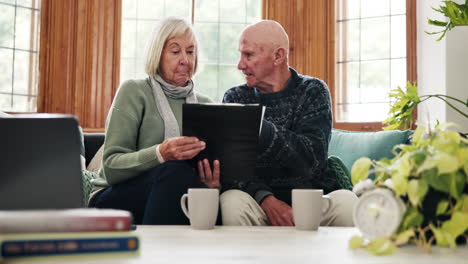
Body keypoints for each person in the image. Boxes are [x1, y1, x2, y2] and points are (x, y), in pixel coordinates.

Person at [220, 20, 357, 226]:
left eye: (248, 55)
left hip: (311, 201)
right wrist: (266, 199)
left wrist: (261, 129)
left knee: (347, 202)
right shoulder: (235, 97)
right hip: (260, 204)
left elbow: (313, 162)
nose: (240, 65)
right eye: (240, 55)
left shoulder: (313, 91)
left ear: (278, 56)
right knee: (231, 201)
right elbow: (235, 172)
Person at [89, 17, 220, 225]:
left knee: (201, 191)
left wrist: (209, 184)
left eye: (190, 51)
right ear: (157, 55)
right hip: (112, 197)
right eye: (175, 51)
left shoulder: (206, 104)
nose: (185, 59)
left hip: (175, 190)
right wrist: (161, 153)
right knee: (174, 171)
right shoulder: (134, 91)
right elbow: (112, 166)